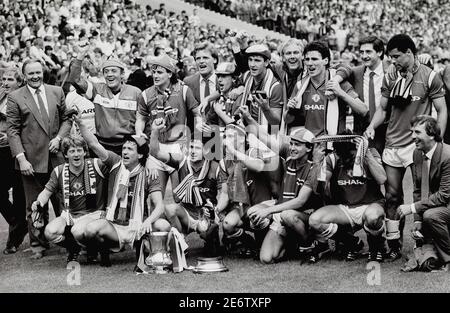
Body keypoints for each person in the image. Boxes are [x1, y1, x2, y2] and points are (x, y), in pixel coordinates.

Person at [365, 34, 447, 260]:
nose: (393, 61)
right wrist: (372, 126)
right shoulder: (390, 75)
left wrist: (436, 139)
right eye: (390, 57)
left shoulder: (430, 76)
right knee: (392, 196)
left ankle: (424, 242)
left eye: (396, 57)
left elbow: (441, 110)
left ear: (409, 53)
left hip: (416, 144)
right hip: (392, 143)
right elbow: (382, 109)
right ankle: (393, 244)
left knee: (420, 192)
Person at [77, 113, 170, 267]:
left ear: (140, 154)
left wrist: (148, 221)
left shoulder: (149, 172)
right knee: (90, 230)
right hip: (115, 225)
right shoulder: (115, 162)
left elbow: (159, 205)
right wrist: (80, 124)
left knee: (163, 226)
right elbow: (94, 144)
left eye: (130, 149)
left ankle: (148, 249)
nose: (124, 152)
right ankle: (104, 253)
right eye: (124, 148)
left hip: (139, 224)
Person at [7, 58, 72, 259]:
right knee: (34, 205)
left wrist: (60, 138)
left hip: (56, 158)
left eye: (38, 72)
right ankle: (38, 244)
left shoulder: (56, 91)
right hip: (30, 161)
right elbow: (12, 130)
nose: (35, 76)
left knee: (64, 201)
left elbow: (67, 119)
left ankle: (69, 241)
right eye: (31, 74)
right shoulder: (15, 97)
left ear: (42, 73)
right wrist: (21, 158)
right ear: (24, 76)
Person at [242, 103, 324, 263]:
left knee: (288, 216)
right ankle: (291, 244)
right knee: (266, 258)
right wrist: (249, 118)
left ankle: (309, 244)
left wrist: (269, 211)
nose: (292, 147)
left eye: (297, 145)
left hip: (303, 215)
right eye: (291, 143)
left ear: (308, 148)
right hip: (283, 209)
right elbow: (264, 137)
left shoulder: (313, 167)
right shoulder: (288, 153)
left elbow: (300, 201)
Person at [149, 117, 228, 256]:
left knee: (212, 249)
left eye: (197, 148)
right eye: (191, 147)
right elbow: (155, 152)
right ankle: (180, 239)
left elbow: (223, 194)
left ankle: (212, 237)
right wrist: (155, 131)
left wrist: (215, 210)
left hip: (206, 214)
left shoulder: (214, 167)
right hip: (186, 214)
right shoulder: (181, 161)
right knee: (170, 209)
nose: (193, 151)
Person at [308, 131, 387, 263]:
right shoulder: (333, 159)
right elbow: (319, 188)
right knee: (315, 220)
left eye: (350, 154)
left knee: (373, 217)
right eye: (342, 155)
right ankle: (352, 242)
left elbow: (382, 179)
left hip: (369, 204)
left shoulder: (369, 152)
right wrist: (317, 163)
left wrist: (365, 154)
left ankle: (377, 246)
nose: (347, 159)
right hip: (344, 208)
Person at [135, 53, 201, 200]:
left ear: (170, 73)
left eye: (160, 72)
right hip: (156, 147)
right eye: (153, 72)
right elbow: (140, 118)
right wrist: (139, 131)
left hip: (178, 147)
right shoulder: (146, 94)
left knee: (179, 196)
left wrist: (197, 136)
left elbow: (197, 114)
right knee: (154, 196)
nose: (155, 76)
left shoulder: (183, 90)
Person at [35, 135, 108, 263]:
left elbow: (116, 166)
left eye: (79, 150)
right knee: (50, 232)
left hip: (94, 214)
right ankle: (73, 248)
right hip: (69, 215)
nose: (76, 154)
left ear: (85, 152)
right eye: (72, 151)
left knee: (79, 230)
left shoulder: (97, 165)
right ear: (65, 155)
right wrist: (38, 203)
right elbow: (46, 193)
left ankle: (94, 249)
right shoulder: (59, 171)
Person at [285, 41, 368, 139]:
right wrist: (291, 110)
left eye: (314, 59)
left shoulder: (337, 82)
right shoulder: (300, 86)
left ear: (325, 61)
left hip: (334, 145)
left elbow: (363, 110)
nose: (310, 63)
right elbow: (288, 120)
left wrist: (340, 93)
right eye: (307, 59)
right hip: (310, 144)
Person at [68, 45, 142, 155]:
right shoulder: (97, 89)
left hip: (127, 146)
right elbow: (75, 80)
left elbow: (143, 120)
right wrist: (80, 56)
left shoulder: (135, 92)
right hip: (101, 145)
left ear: (122, 74)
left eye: (113, 71)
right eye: (106, 71)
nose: (110, 74)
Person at [398, 115, 450, 271]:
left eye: (418, 132)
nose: (413, 136)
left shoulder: (448, 155)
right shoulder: (416, 153)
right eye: (412, 132)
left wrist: (412, 208)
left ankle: (447, 259)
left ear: (432, 134)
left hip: (446, 203)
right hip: (439, 206)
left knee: (431, 216)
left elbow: (444, 194)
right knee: (427, 218)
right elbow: (418, 189)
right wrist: (417, 220)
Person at [333, 36, 388, 153]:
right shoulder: (357, 72)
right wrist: (336, 80)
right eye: (361, 52)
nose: (364, 56)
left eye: (368, 52)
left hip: (387, 129)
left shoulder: (390, 72)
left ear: (379, 52)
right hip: (363, 131)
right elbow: (341, 67)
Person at [0, 68, 27, 255]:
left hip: (17, 152)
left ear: (19, 82)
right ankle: (18, 223)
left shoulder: (22, 99)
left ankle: (14, 240)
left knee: (19, 197)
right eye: (3, 78)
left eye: (10, 79)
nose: (6, 82)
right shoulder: (1, 97)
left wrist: (9, 138)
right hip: (0, 153)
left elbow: (27, 127)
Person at [239, 44, 283, 133]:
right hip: (248, 130)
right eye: (250, 60)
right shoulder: (247, 76)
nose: (252, 65)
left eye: (257, 61)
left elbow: (276, 122)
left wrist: (266, 109)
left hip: (268, 135)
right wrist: (238, 87)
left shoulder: (275, 86)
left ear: (266, 63)